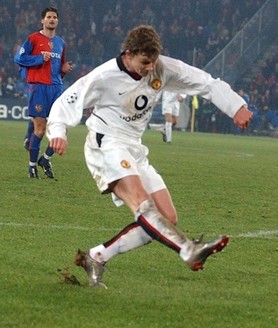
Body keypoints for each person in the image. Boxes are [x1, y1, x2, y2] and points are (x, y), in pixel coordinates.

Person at [46, 25, 253, 288]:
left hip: (134, 147)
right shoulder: (104, 76)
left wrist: (236, 106)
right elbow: (66, 102)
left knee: (167, 217)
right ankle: (188, 250)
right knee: (142, 204)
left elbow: (205, 82)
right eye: (144, 62)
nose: (149, 68)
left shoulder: (160, 68)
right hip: (106, 144)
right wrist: (58, 132)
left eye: (153, 62)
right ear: (129, 54)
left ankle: (96, 256)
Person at [14, 6, 73, 179]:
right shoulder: (33, 39)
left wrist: (63, 70)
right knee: (40, 130)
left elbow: (58, 69)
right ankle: (32, 166)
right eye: (48, 17)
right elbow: (19, 58)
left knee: (62, 129)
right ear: (43, 20)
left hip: (56, 88)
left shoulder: (61, 43)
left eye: (54, 17)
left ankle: (45, 159)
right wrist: (40, 58)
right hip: (38, 87)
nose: (52, 20)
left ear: (57, 21)